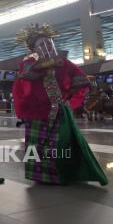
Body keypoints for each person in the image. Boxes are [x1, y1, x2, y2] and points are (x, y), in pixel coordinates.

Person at [13, 23, 107, 186]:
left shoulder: (64, 62)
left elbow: (82, 81)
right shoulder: (27, 63)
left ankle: (62, 174)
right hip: (35, 113)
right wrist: (48, 63)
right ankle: (39, 176)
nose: (46, 46)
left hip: (60, 111)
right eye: (41, 44)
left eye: (49, 43)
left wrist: (71, 102)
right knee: (36, 146)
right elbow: (29, 75)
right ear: (33, 49)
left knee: (60, 144)